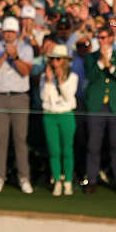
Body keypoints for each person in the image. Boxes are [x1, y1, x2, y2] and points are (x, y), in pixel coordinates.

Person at [0, 15, 36, 192]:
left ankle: (24, 177)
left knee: (20, 139)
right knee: (0, 139)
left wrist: (14, 57)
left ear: (16, 33)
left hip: (19, 97)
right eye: (6, 32)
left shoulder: (26, 48)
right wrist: (4, 56)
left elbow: (25, 72)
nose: (8, 35)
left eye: (11, 32)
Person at [82, 26, 116, 193]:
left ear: (110, 38)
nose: (101, 41)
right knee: (93, 145)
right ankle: (91, 179)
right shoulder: (91, 58)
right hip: (97, 106)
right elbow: (92, 76)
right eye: (99, 37)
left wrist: (111, 66)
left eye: (103, 37)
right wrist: (101, 63)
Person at [38, 41, 77, 195]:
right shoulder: (44, 76)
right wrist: (48, 81)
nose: (55, 62)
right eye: (52, 59)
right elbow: (43, 97)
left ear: (65, 61)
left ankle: (67, 181)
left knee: (67, 150)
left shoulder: (72, 77)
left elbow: (68, 97)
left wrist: (60, 81)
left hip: (66, 115)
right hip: (50, 115)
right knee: (54, 151)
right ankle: (57, 181)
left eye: (58, 59)